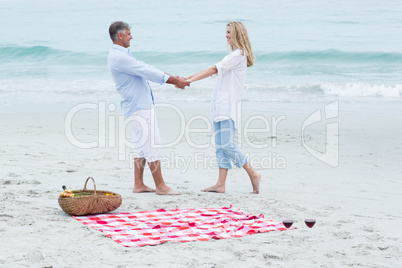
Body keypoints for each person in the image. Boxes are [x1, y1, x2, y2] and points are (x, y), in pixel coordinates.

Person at [108, 21, 189, 195]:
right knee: (152, 144)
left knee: (141, 146)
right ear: (120, 36)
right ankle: (160, 185)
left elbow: (146, 70)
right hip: (138, 106)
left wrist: (172, 78)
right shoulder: (119, 57)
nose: (131, 36)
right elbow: (147, 71)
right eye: (129, 33)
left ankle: (138, 184)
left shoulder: (121, 55)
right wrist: (175, 81)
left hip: (136, 105)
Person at [186, 21, 261, 194]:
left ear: (237, 34)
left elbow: (213, 69)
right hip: (219, 106)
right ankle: (221, 184)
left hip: (227, 107)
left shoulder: (239, 54)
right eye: (226, 32)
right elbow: (214, 70)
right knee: (220, 146)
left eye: (229, 32)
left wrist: (188, 80)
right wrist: (185, 78)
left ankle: (253, 173)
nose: (226, 35)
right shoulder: (233, 55)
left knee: (227, 145)